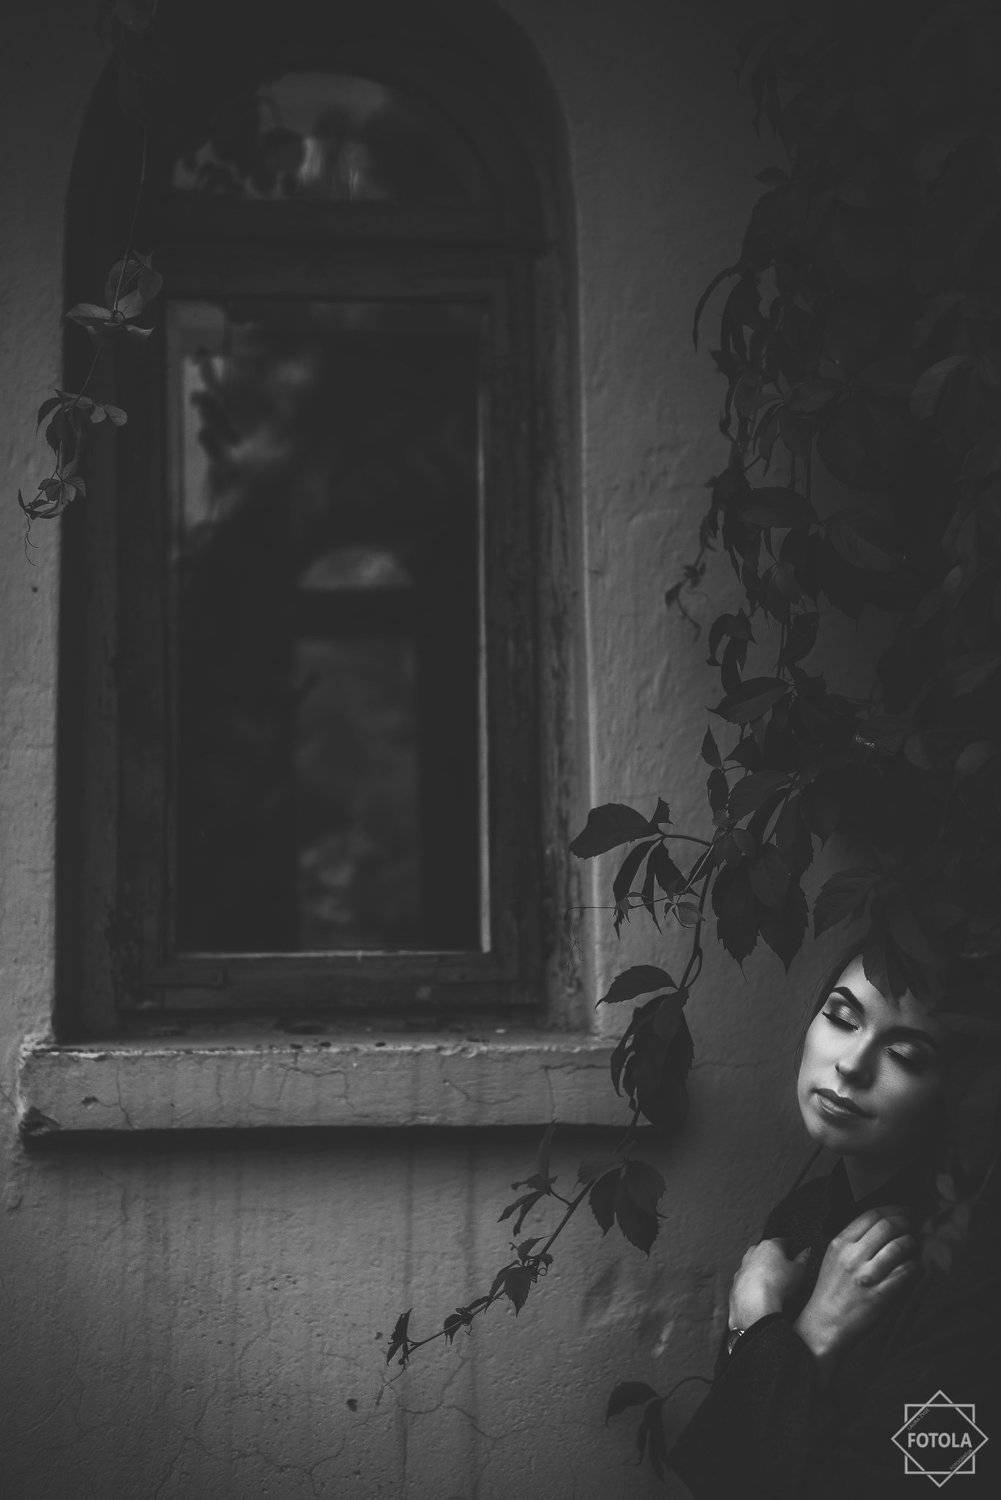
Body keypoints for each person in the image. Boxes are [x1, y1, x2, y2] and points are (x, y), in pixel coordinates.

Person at [669, 950, 1001, 1498]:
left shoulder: (973, 1271)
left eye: (905, 1055)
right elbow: (724, 1471)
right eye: (842, 1019)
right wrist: (809, 1336)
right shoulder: (797, 1223)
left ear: (958, 1092)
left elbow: (913, 1484)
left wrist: (758, 1327)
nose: (852, 1064)